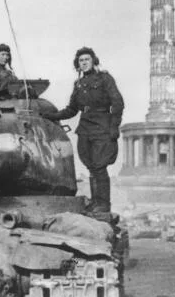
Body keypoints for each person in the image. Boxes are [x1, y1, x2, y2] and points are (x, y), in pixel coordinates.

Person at [40, 47, 124, 214]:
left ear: (94, 61)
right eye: (81, 60)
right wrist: (50, 116)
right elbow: (72, 109)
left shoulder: (104, 78)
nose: (84, 63)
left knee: (100, 166)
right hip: (85, 127)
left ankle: (104, 204)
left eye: (87, 59)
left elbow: (118, 103)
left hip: (102, 126)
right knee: (91, 166)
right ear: (77, 64)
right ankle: (95, 202)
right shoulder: (78, 84)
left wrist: (114, 126)